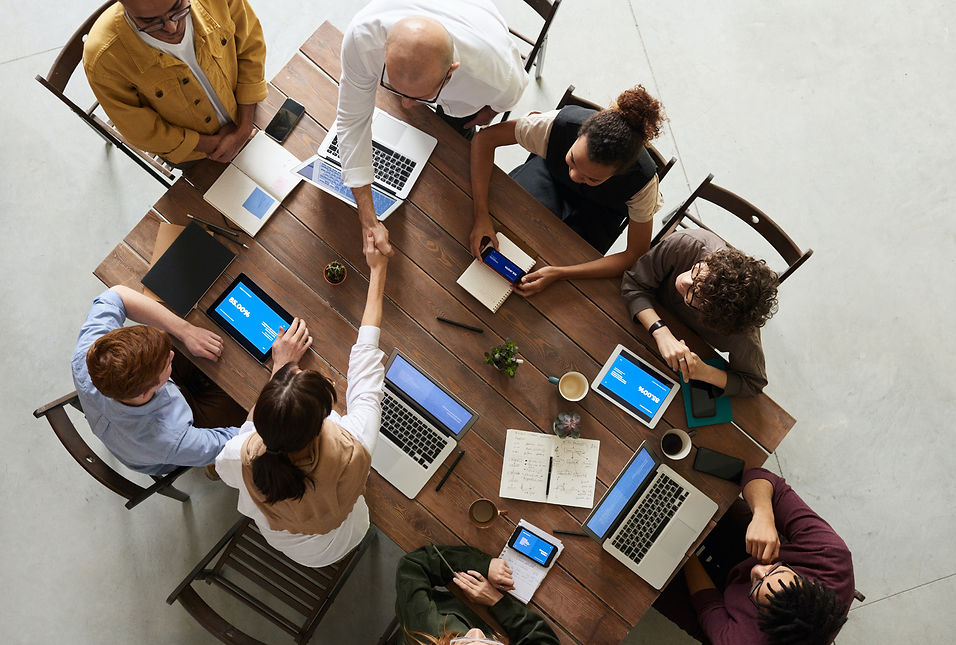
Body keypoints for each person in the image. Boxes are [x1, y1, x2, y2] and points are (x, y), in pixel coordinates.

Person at [215, 233, 388, 567]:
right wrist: (378, 270)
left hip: (295, 548)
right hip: (344, 534)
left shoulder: (240, 455)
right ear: (322, 421)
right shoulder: (355, 444)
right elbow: (366, 362)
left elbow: (241, 442)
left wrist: (279, 367)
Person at [338, 0, 528, 257]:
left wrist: (488, 113)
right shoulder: (362, 38)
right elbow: (352, 122)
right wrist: (368, 218)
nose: (406, 105)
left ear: (451, 72)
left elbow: (506, 99)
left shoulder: (498, 78)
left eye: (419, 97)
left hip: (476, 43)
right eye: (396, 88)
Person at [469, 85, 667, 297]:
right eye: (572, 160)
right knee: (507, 226)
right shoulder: (556, 125)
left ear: (619, 173)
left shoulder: (643, 183)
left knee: (560, 272)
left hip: (601, 212)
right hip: (549, 177)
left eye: (592, 178)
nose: (574, 176)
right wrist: (481, 215)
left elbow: (635, 253)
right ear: (579, 134)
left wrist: (560, 273)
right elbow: (484, 139)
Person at [653, 468, 853, 644]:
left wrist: (683, 547)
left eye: (757, 584)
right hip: (754, 549)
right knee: (707, 489)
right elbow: (758, 476)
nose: (757, 569)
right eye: (775, 569)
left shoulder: (744, 640)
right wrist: (763, 515)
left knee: (652, 580)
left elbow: (707, 603)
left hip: (722, 609)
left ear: (761, 618)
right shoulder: (830, 555)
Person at [71, 285, 246, 475]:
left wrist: (186, 331)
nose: (171, 354)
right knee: (251, 405)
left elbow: (117, 294)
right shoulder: (170, 440)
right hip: (169, 447)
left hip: (131, 423)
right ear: (146, 392)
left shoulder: (92, 354)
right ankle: (212, 467)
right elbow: (242, 443)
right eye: (167, 362)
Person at [82, 0, 267, 164]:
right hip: (196, 154)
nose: (171, 27)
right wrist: (212, 145)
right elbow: (141, 130)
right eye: (150, 22)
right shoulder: (102, 59)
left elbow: (251, 46)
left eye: (178, 7)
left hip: (248, 111)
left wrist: (243, 128)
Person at [621, 229, 779, 396]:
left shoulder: (741, 332)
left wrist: (704, 372)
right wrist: (661, 332)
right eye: (697, 272)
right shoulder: (688, 244)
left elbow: (753, 383)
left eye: (695, 295)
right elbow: (633, 283)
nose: (685, 280)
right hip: (636, 322)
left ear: (715, 317)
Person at [396, 545, 560, 645]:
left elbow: (413, 567)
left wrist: (482, 565)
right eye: (490, 644)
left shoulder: (423, 629)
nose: (476, 632)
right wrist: (496, 601)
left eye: (463, 643)